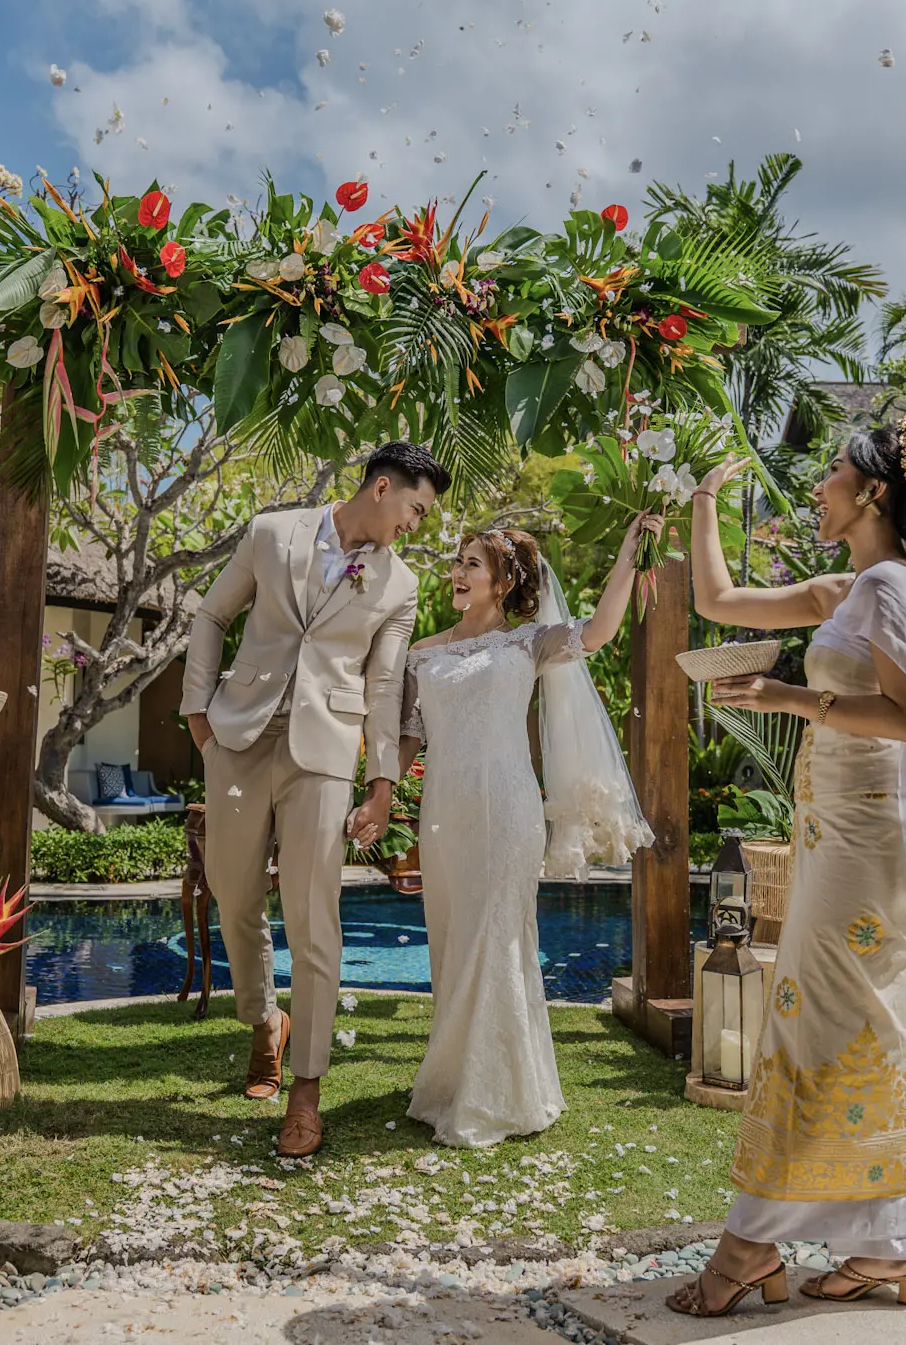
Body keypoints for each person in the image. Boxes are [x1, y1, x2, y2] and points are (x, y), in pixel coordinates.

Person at [667, 411, 906, 1316]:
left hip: (864, 834)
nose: (820, 484)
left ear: (874, 490)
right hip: (832, 824)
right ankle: (888, 1248)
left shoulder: (886, 590)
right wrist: (703, 500)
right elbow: (719, 602)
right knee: (860, 1020)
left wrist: (787, 695)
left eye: (834, 470)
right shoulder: (853, 586)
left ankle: (750, 1247)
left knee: (817, 1019)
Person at [179, 443, 442, 1158]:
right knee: (233, 894)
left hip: (325, 754)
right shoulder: (272, 532)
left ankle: (306, 1089)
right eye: (415, 508)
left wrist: (382, 785)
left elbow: (385, 688)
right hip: (236, 737)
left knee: (312, 913)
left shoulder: (401, 585)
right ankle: (266, 1018)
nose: (415, 524)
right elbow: (210, 616)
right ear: (381, 487)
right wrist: (198, 717)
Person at [398, 517, 658, 1147]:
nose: (458, 573)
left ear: (505, 580)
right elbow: (408, 742)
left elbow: (598, 632)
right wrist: (377, 800)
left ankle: (498, 1094)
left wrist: (625, 554)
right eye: (457, 561)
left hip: (508, 810)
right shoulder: (422, 652)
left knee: (497, 936)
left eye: (473, 565)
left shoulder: (529, 645)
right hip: (443, 815)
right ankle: (456, 1080)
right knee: (455, 937)